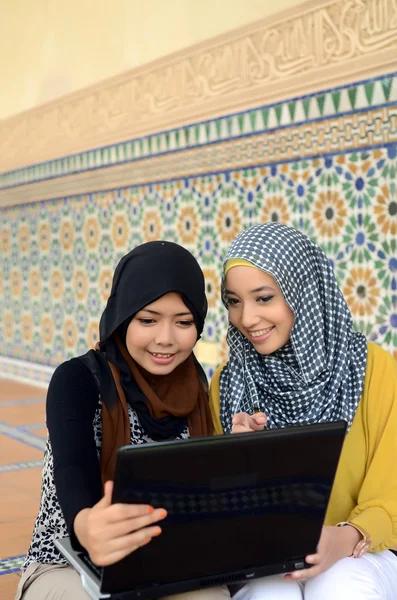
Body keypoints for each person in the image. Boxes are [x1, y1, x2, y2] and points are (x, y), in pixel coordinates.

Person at [16, 241, 229, 600]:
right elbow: (72, 473)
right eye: (147, 320)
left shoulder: (195, 386)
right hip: (68, 562)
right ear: (122, 316)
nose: (166, 339)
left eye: (184, 322)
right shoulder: (79, 380)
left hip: (168, 565)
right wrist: (88, 528)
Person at [209, 222, 397, 600]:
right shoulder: (229, 384)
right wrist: (238, 460)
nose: (246, 318)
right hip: (269, 555)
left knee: (342, 585)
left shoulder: (373, 370)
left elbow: (390, 494)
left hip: (366, 547)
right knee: (269, 596)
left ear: (304, 293)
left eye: (264, 298)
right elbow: (221, 520)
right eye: (234, 301)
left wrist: (342, 539)